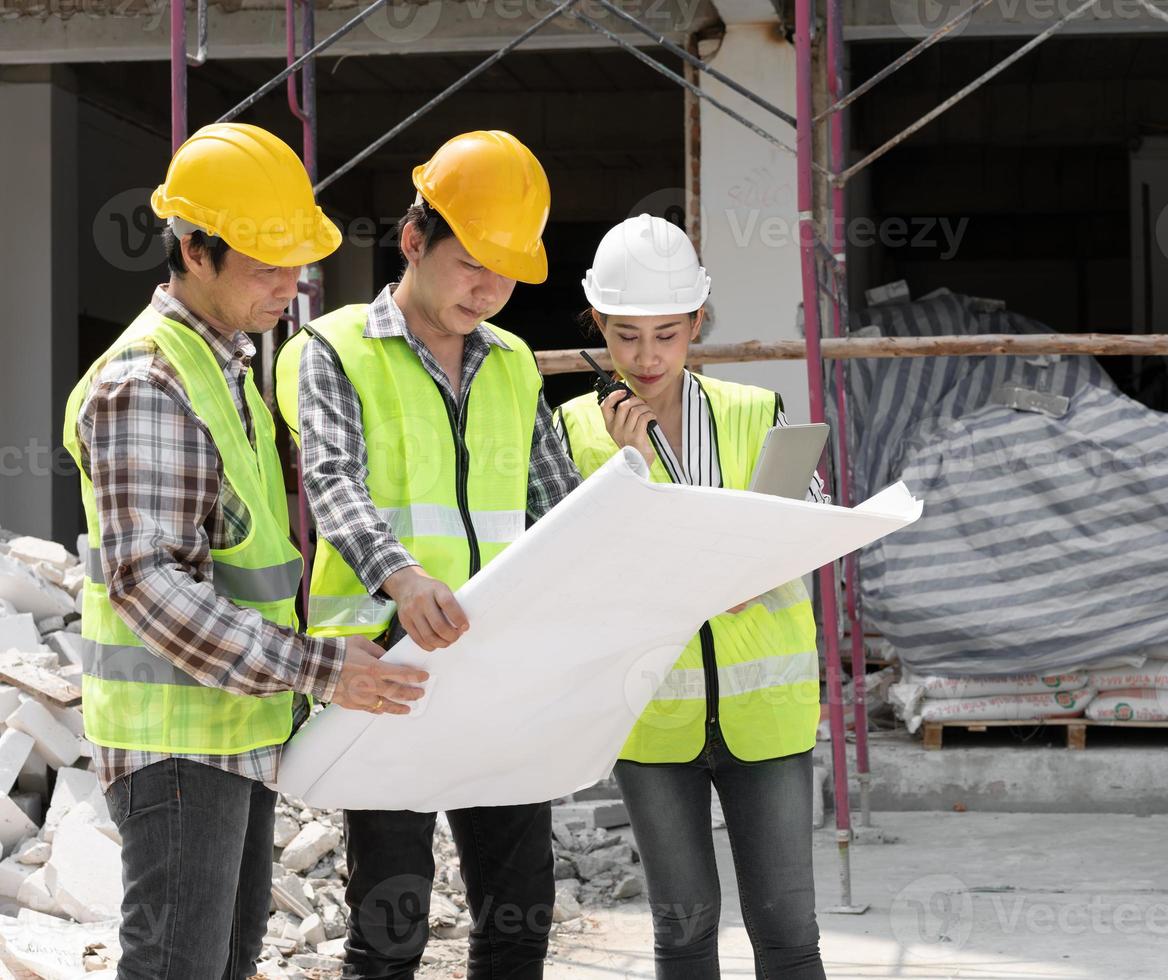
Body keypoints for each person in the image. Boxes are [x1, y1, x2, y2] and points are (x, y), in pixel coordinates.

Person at [61, 122, 428, 980]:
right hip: (177, 741)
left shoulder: (226, 367)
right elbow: (149, 584)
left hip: (232, 728)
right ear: (194, 251)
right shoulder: (147, 382)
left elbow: (246, 559)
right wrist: (320, 668)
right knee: (177, 966)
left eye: (296, 263)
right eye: (266, 266)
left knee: (225, 962)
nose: (290, 287)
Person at [275, 130, 582, 979]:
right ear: (415, 240)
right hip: (390, 674)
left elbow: (553, 501)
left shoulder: (514, 362)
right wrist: (402, 578)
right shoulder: (334, 348)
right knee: (391, 929)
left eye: (508, 271)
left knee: (519, 922)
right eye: (472, 262)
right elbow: (332, 481)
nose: (490, 289)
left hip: (499, 673)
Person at [552, 213, 828, 979]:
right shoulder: (574, 432)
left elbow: (806, 524)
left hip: (767, 715)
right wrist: (628, 465)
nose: (645, 357)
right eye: (626, 334)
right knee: (683, 931)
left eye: (667, 334)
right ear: (598, 323)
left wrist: (749, 569)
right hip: (651, 721)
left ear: (697, 322)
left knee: (787, 932)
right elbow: (570, 570)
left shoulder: (752, 410)